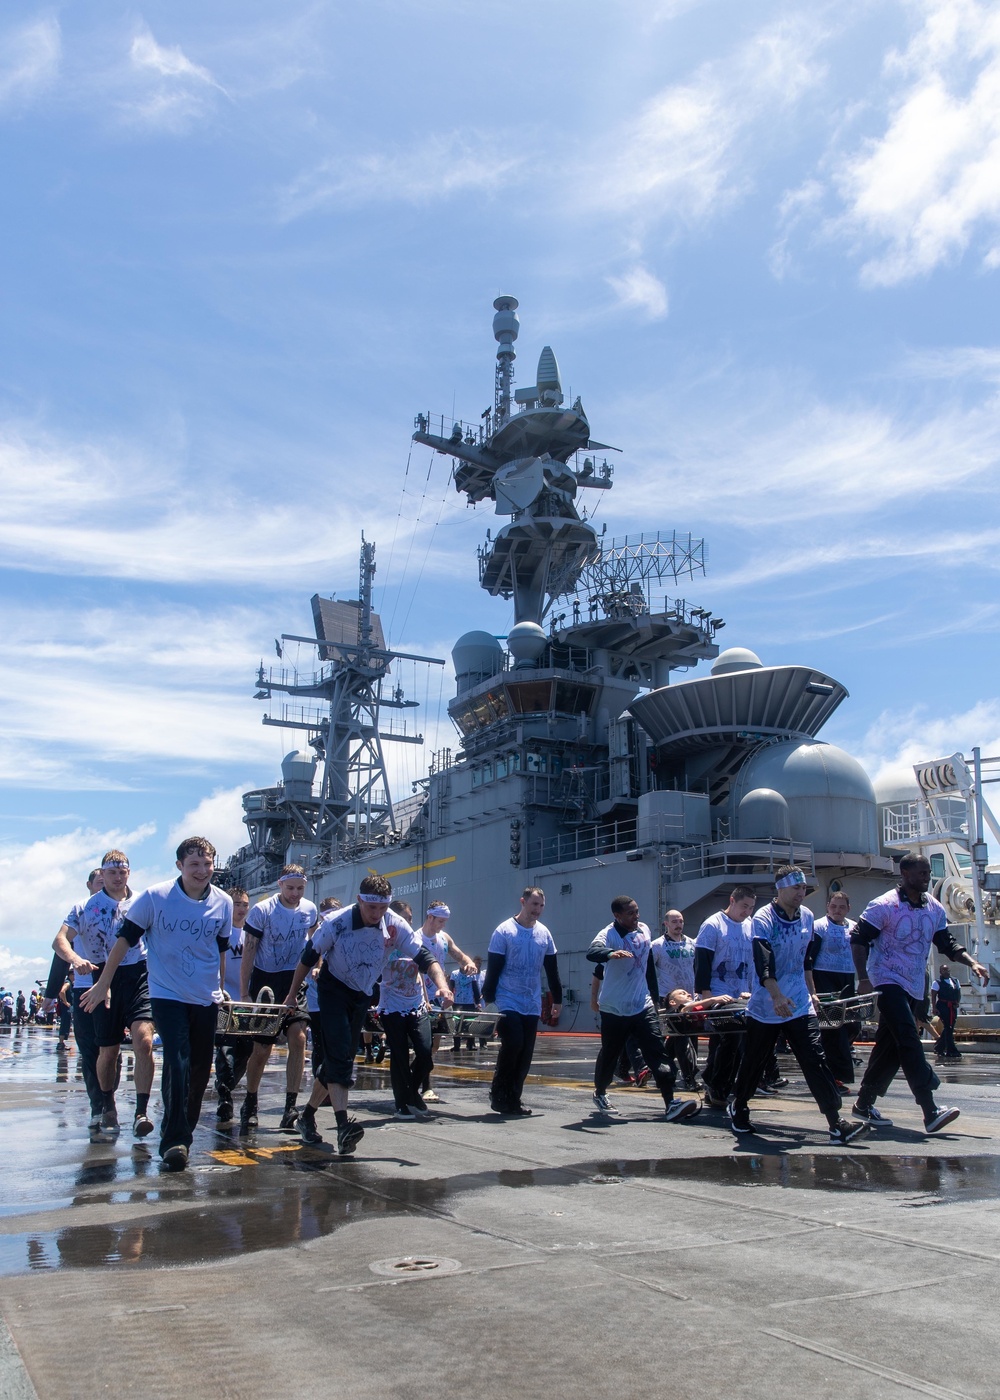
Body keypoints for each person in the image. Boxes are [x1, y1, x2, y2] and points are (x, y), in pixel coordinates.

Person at [82, 836, 233, 1172]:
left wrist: (222, 989)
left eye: (207, 864)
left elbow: (220, 949)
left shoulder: (222, 902)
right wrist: (103, 983)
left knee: (198, 1069)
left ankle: (182, 1129)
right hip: (166, 994)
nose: (201, 870)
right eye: (194, 864)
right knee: (177, 1061)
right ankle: (175, 1141)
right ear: (179, 866)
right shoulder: (155, 897)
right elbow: (124, 940)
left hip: (205, 997)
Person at [281, 874, 453, 1154]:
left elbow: (425, 958)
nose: (377, 914)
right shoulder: (336, 922)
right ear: (360, 900)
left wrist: (443, 987)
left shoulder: (394, 925)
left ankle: (308, 1117)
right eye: (371, 908)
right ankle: (343, 1127)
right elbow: (308, 957)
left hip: (361, 993)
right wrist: (290, 995)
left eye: (383, 908)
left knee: (340, 1061)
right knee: (340, 1060)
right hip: (333, 988)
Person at [851, 853, 988, 1135]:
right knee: (909, 1039)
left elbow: (946, 943)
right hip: (886, 980)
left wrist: (972, 962)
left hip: (914, 984)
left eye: (928, 872)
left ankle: (864, 1104)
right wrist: (863, 978)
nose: (926, 877)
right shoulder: (884, 905)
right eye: (921, 872)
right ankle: (929, 1109)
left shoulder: (935, 909)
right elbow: (858, 938)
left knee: (890, 1047)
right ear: (905, 873)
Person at [728, 867, 866, 1144]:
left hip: (799, 1002)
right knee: (755, 1061)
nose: (801, 893)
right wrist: (776, 996)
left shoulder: (807, 918)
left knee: (814, 1059)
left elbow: (806, 961)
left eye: (804, 888)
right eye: (796, 888)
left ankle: (835, 1122)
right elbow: (762, 960)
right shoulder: (764, 918)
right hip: (768, 1003)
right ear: (780, 889)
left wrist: (812, 993)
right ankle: (740, 1104)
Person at [57, 850, 156, 1139]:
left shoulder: (142, 903)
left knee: (144, 1039)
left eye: (122, 871)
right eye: (110, 872)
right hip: (99, 978)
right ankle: (106, 1104)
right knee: (108, 1050)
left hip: (138, 974)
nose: (116, 876)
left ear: (129, 873)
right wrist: (75, 960)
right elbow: (60, 940)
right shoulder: (84, 907)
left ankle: (141, 1111)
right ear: (102, 874)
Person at [587, 896, 700, 1123]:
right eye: (630, 913)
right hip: (614, 1007)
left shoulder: (644, 930)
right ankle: (600, 1092)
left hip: (642, 1004)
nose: (636, 916)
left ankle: (670, 1102)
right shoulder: (609, 934)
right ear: (617, 916)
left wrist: (654, 997)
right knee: (610, 1053)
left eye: (637, 911)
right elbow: (592, 951)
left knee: (656, 1052)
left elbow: (648, 966)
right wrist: (610, 953)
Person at [239, 866, 319, 1134]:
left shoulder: (309, 910)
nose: (295, 894)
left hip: (295, 980)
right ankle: (250, 1102)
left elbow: (315, 942)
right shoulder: (263, 911)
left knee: (299, 1038)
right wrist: (244, 992)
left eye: (300, 889)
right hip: (266, 981)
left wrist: (316, 965)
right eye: (290, 888)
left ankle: (290, 1108)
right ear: (280, 885)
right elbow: (249, 950)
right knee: (262, 1049)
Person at [482, 886, 562, 1116]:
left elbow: (552, 970)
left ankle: (514, 1098)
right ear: (523, 902)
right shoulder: (504, 931)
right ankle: (499, 1094)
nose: (537, 909)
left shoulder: (544, 934)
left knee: (526, 1051)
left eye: (541, 905)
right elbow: (494, 970)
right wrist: (490, 1001)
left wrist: (557, 999)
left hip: (531, 1000)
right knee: (514, 1042)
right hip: (507, 997)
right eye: (534, 904)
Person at [46, 867, 105, 1126]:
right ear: (89, 885)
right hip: (83, 987)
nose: (104, 887)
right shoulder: (81, 910)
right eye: (99, 883)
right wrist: (51, 992)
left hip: (117, 986)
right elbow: (61, 948)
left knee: (111, 1049)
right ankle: (97, 1104)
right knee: (89, 1050)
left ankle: (108, 1098)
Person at [694, 886, 755, 1107]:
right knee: (730, 1038)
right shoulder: (713, 925)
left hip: (742, 992)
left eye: (750, 907)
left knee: (738, 1041)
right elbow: (702, 959)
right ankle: (716, 1083)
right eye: (743, 906)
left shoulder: (750, 926)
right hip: (719, 993)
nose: (746, 912)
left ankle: (720, 1084)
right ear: (732, 901)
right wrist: (706, 995)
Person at [378, 899, 436, 1120]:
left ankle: (411, 1090)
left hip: (416, 1003)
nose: (409, 922)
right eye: (405, 918)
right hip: (391, 1005)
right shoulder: (385, 940)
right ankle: (402, 1102)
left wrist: (428, 997)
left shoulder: (415, 939)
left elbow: (421, 969)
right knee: (400, 1054)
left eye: (410, 918)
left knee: (424, 1052)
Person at [417, 902, 476, 1102]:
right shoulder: (416, 938)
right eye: (440, 921)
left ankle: (422, 1081)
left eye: (445, 921)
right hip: (419, 995)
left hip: (439, 997)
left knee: (434, 1042)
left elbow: (458, 954)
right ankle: (422, 1083)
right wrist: (424, 997)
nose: (442, 925)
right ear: (430, 917)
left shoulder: (444, 938)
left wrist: (468, 963)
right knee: (423, 1043)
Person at [811, 890, 859, 1087]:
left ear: (848, 908)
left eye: (841, 907)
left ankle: (836, 1059)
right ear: (827, 907)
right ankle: (835, 1075)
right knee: (833, 1027)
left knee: (853, 1025)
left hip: (847, 977)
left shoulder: (855, 928)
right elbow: (811, 957)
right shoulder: (819, 927)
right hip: (824, 977)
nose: (837, 910)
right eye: (833, 906)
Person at [214, 886, 252, 1126]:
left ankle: (226, 1088)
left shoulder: (251, 934)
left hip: (247, 1003)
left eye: (244, 905)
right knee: (225, 1050)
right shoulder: (221, 934)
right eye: (236, 904)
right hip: (225, 1002)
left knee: (245, 1053)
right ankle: (224, 1094)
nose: (240, 909)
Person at [651, 908, 701, 1090]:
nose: (678, 925)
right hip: (670, 998)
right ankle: (689, 1077)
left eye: (680, 921)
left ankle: (662, 1067)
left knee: (682, 1037)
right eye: (674, 922)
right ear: (666, 924)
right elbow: (649, 972)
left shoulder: (692, 943)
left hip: (689, 997)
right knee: (682, 1036)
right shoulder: (657, 946)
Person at [449, 958, 485, 1052]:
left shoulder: (472, 975)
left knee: (470, 1023)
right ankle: (456, 1045)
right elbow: (451, 987)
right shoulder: (454, 973)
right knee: (456, 1024)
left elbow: (475, 988)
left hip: (469, 1002)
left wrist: (477, 1002)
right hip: (457, 1002)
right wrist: (449, 999)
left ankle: (470, 1044)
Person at [931, 964, 963, 1061]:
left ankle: (939, 1047)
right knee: (948, 1026)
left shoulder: (955, 981)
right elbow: (933, 996)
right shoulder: (937, 982)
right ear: (940, 972)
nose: (946, 972)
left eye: (947, 970)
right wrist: (934, 1008)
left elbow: (958, 992)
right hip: (943, 1006)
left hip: (952, 1006)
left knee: (950, 1026)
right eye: (944, 970)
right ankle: (951, 1050)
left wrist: (957, 1002)